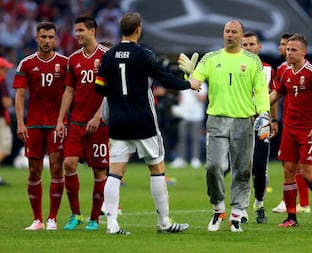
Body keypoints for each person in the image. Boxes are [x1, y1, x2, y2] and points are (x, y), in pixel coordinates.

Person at [95, 12, 201, 235]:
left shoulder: (108, 56)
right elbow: (166, 79)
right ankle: (164, 222)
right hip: (143, 121)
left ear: (121, 29)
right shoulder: (145, 55)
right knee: (157, 169)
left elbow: (99, 88)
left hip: (118, 121)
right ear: (138, 29)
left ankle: (112, 225)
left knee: (114, 173)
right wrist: (188, 84)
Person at [180, 20, 270, 232]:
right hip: (217, 120)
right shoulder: (211, 58)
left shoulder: (252, 60)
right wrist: (188, 75)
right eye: (227, 31)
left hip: (243, 120)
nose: (230, 35)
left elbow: (260, 89)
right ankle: (218, 207)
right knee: (213, 167)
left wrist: (264, 112)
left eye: (234, 32)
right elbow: (196, 82)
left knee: (242, 170)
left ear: (241, 35)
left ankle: (237, 215)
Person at [55, 15, 109, 231]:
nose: (76, 34)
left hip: (99, 123)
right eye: (75, 30)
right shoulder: (73, 59)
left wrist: (97, 116)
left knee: (99, 172)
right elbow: (69, 90)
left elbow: (110, 91)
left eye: (80, 30)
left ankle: (95, 218)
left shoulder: (106, 56)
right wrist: (61, 119)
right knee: (68, 164)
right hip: (76, 122)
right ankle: (76, 214)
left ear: (92, 31)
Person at [271, 33, 312, 227]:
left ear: (304, 52)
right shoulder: (286, 72)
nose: (289, 53)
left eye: (294, 50)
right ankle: (291, 217)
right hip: (290, 129)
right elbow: (276, 94)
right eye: (288, 49)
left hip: (308, 130)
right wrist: (256, 108)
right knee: (288, 170)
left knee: (306, 173)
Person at [13, 22, 67, 230]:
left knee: (56, 168)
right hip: (34, 125)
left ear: (55, 39)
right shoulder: (26, 64)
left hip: (57, 124)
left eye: (50, 37)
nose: (47, 41)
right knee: (34, 171)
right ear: (36, 38)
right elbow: (20, 94)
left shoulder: (64, 63)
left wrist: (64, 120)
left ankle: (52, 218)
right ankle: (37, 220)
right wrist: (20, 122)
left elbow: (71, 92)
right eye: (43, 37)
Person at [271, 33, 311, 214]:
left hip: (303, 124)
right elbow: (276, 95)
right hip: (288, 121)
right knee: (288, 166)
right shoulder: (282, 70)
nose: (283, 49)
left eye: (286, 46)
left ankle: (303, 202)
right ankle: (296, 205)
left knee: (300, 167)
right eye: (282, 46)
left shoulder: (308, 70)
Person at [240, 31, 276, 224]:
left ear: (259, 47)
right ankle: (242, 209)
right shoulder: (235, 67)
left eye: (251, 44)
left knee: (260, 167)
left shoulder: (268, 69)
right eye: (244, 45)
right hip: (241, 121)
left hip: (262, 122)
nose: (248, 48)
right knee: (243, 167)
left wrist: (275, 119)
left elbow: (274, 94)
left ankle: (260, 204)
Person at [170, 81, 207, 169]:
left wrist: (193, 90)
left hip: (197, 115)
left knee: (196, 139)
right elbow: (181, 98)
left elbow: (203, 99)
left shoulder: (202, 84)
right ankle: (181, 159)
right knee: (182, 138)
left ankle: (195, 159)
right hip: (184, 115)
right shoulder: (184, 83)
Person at [0, 57, 13, 187]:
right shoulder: (1, 81)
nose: (6, 71)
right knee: (5, 147)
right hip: (1, 119)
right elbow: (6, 102)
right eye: (4, 68)